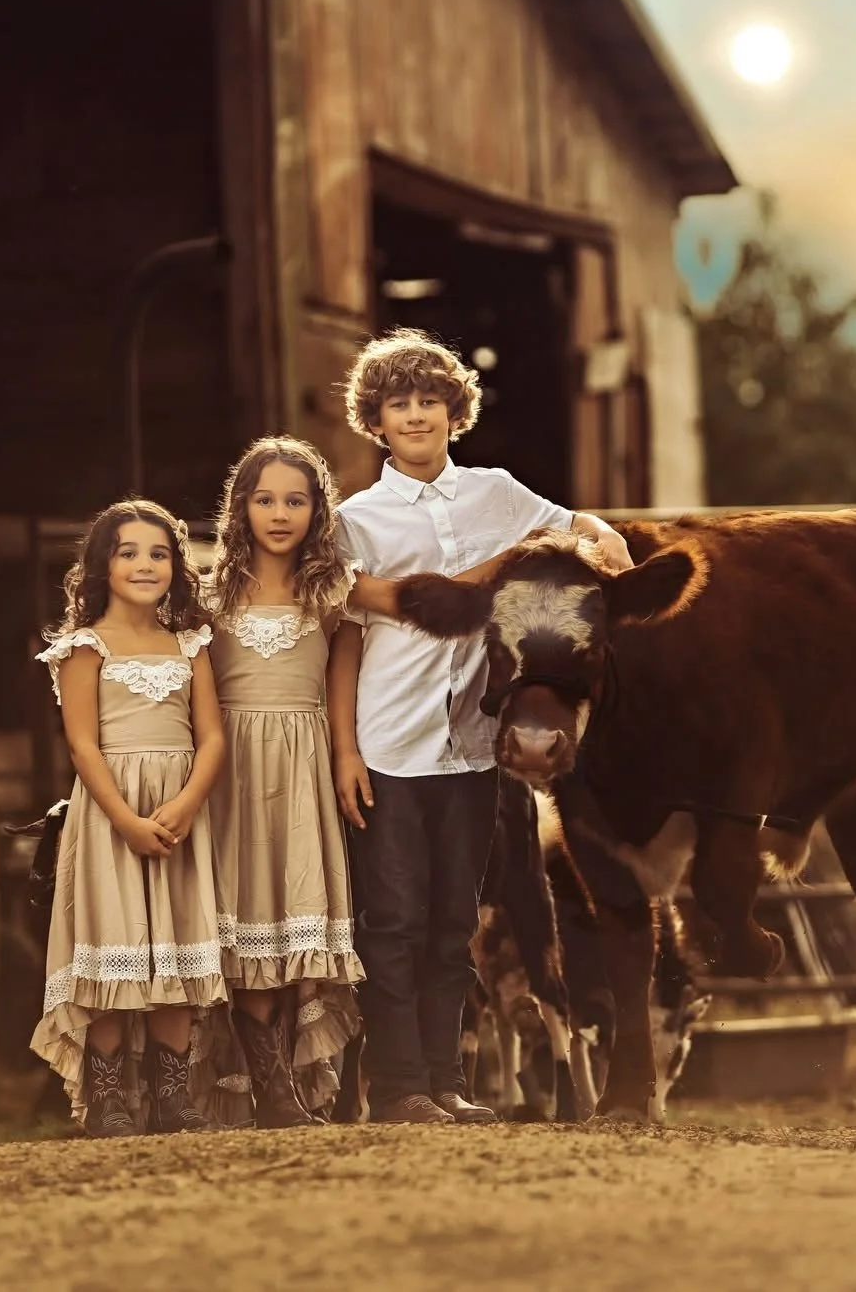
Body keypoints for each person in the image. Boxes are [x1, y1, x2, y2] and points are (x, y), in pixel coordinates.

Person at [329, 326, 632, 1125]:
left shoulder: (498, 492)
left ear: (454, 410)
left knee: (454, 921)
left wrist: (607, 538)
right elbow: (351, 634)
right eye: (400, 403)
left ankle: (445, 1081)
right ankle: (397, 1088)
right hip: (389, 741)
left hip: (472, 748)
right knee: (391, 919)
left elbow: (577, 526)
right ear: (377, 419)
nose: (417, 415)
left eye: (430, 400)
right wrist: (347, 749)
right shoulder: (357, 520)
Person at [29, 499, 227, 1138]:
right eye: (129, 552)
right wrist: (127, 821)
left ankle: (174, 1095)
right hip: (113, 814)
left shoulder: (188, 644)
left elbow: (214, 739)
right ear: (102, 566)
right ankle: (109, 1096)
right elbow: (83, 745)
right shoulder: (85, 647)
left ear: (178, 565)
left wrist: (187, 803)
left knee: (172, 945)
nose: (146, 565)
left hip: (177, 812)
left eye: (160, 553)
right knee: (114, 945)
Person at [197, 436, 367, 1128]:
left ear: (316, 509)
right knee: (244, 919)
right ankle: (270, 1090)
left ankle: (291, 1085)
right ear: (240, 508)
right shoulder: (210, 593)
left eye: (295, 500)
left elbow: (341, 680)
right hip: (230, 764)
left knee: (293, 915)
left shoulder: (333, 590)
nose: (279, 513)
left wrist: (345, 755)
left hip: (302, 762)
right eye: (264, 499)